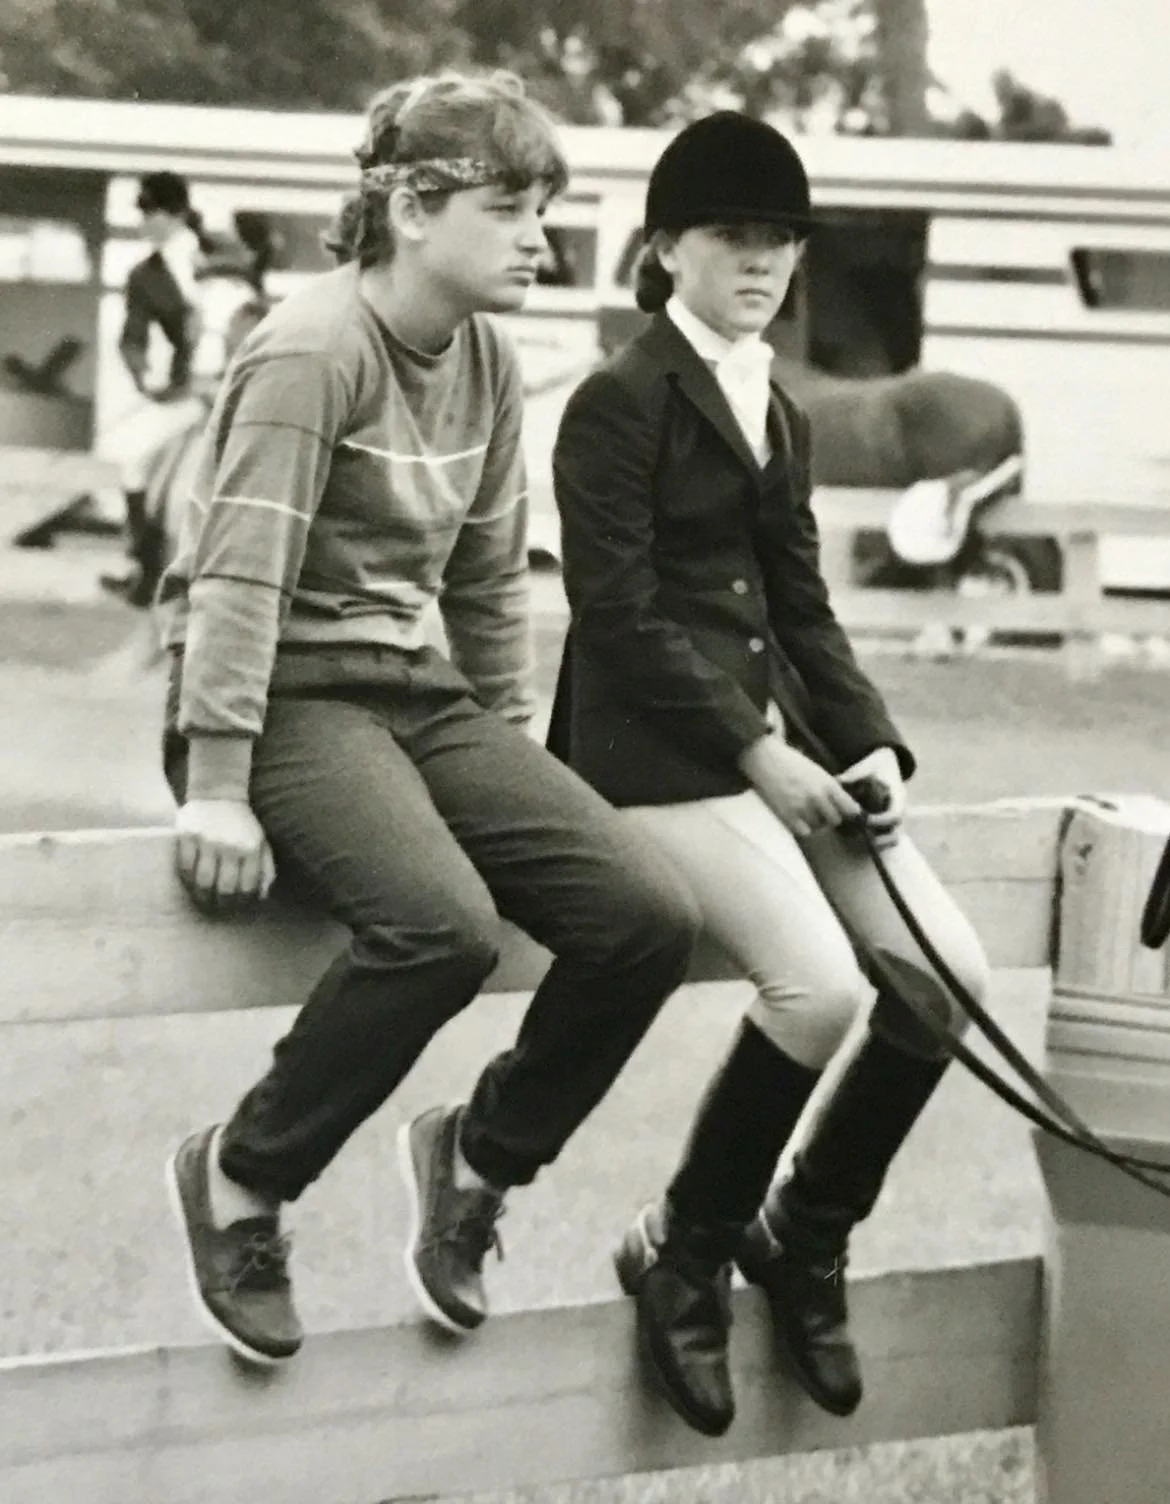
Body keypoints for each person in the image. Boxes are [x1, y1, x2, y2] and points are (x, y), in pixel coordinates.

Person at [157, 70, 699, 1368]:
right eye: (508, 209)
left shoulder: (490, 359)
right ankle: (240, 1176)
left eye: (543, 210)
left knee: (645, 916)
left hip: (414, 692)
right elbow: (238, 577)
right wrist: (217, 782)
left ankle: (478, 1159)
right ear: (409, 211)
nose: (540, 239)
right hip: (282, 697)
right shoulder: (312, 349)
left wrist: (508, 748)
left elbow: (487, 577)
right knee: (440, 930)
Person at [548, 111, 990, 1438]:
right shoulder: (615, 401)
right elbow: (617, 613)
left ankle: (806, 1227)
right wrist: (758, 752)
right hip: (648, 751)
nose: (759, 262)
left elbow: (801, 605)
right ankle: (684, 1249)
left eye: (780, 242)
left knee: (949, 974)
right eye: (732, 237)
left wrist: (865, 745)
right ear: (664, 248)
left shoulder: (776, 409)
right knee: (815, 985)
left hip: (780, 747)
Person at [100, 171, 213, 606]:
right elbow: (132, 338)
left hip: (227, 384)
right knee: (134, 463)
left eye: (154, 212)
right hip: (183, 394)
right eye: (144, 212)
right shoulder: (143, 275)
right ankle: (148, 571)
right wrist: (147, 378)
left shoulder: (214, 259)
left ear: (177, 213)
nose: (146, 221)